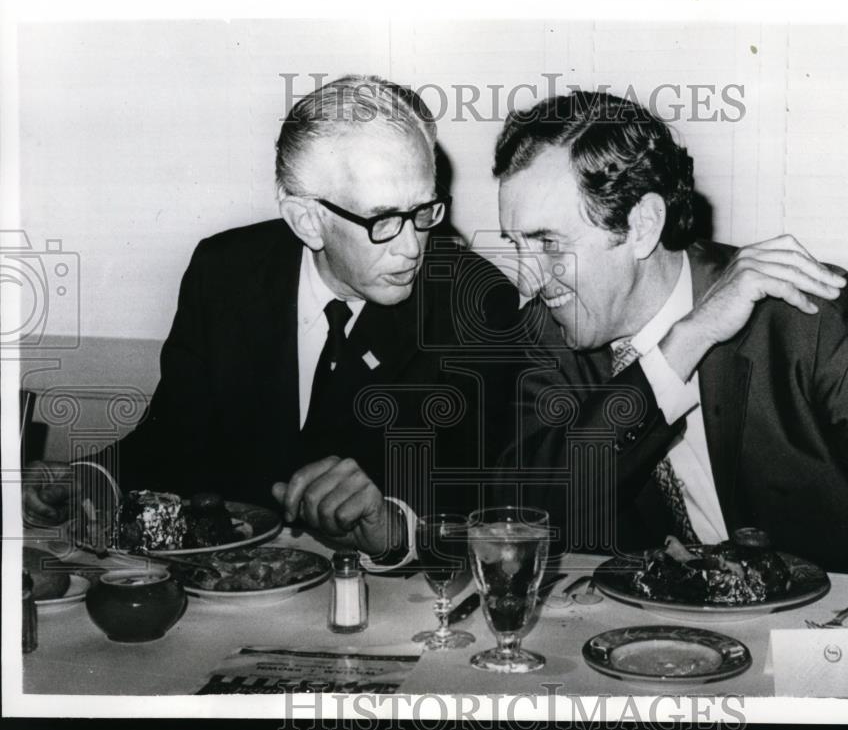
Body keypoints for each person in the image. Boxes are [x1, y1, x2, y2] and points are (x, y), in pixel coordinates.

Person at [21, 75, 524, 562]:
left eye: (424, 211)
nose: (413, 246)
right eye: (383, 220)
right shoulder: (224, 273)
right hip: (227, 591)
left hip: (387, 601)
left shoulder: (473, 303)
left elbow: (480, 498)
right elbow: (175, 435)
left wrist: (393, 526)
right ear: (307, 220)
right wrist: (93, 477)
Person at [492, 90, 848, 581]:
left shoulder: (803, 318)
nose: (526, 278)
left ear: (642, 226)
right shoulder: (549, 330)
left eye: (549, 243)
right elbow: (524, 521)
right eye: (516, 245)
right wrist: (678, 349)